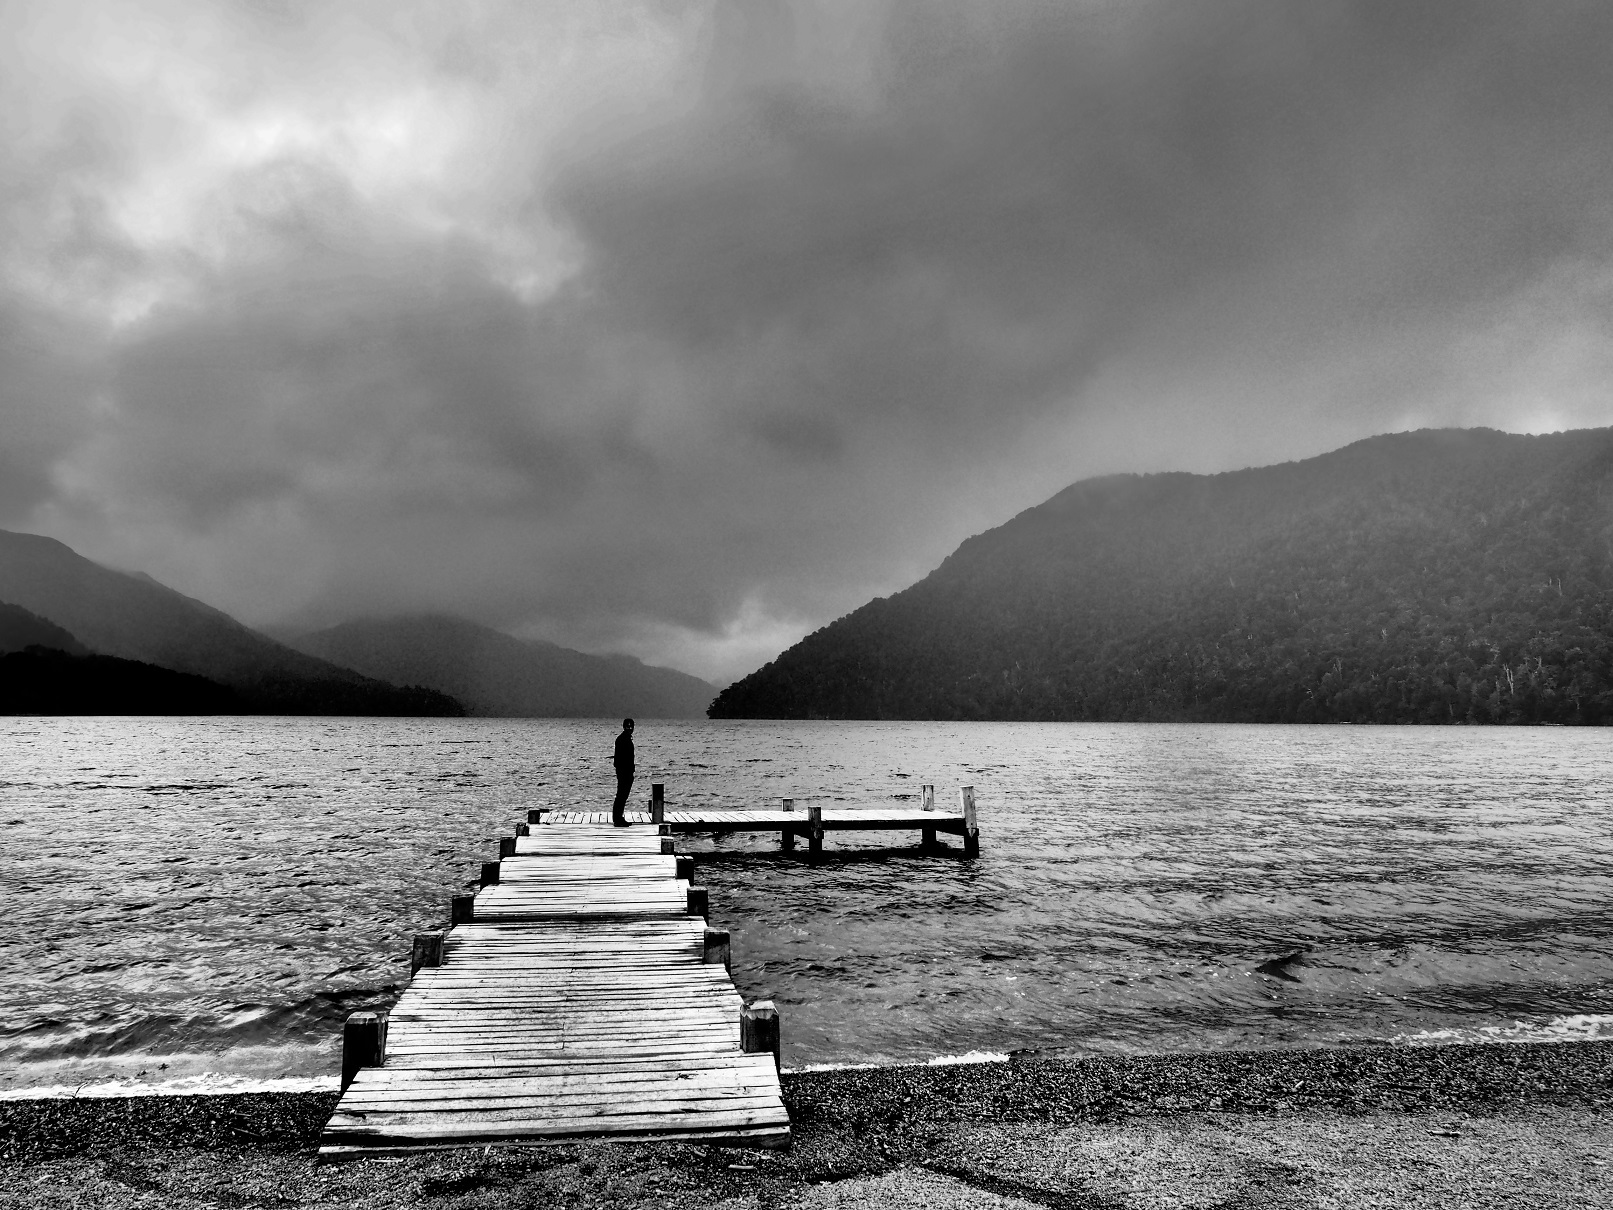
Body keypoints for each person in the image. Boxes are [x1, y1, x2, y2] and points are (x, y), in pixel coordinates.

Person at [612, 718, 635, 826]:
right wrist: (623, 772)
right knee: (621, 795)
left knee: (623, 796)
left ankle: (619, 817)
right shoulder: (621, 739)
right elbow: (619, 759)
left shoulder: (627, 739)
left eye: (631, 726)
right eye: (627, 726)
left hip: (627, 772)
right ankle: (617, 818)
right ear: (624, 727)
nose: (629, 728)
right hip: (623, 772)